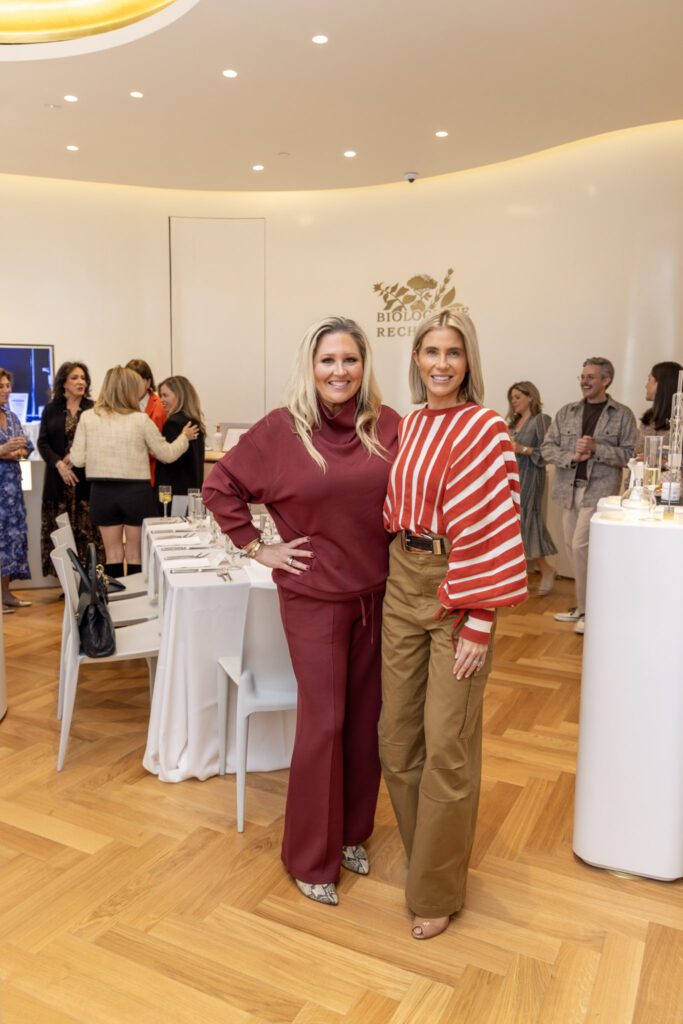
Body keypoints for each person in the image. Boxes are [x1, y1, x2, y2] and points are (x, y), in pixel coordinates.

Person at [203, 316, 400, 906]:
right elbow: (220, 486)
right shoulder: (281, 431)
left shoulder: (389, 426)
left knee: (368, 720)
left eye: (350, 360)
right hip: (314, 599)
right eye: (327, 360)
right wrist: (259, 548)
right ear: (310, 367)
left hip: (380, 596)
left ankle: (350, 835)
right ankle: (309, 855)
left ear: (364, 366)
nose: (339, 371)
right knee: (325, 721)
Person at [380, 308, 528, 941]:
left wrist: (480, 620)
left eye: (453, 353)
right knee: (395, 738)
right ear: (415, 358)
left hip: (460, 588)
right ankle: (429, 857)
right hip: (401, 577)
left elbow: (497, 523)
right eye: (430, 351)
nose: (441, 363)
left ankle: (436, 888)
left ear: (469, 362)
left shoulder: (487, 426)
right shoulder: (409, 424)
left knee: (447, 747)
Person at [70, 366, 198, 578]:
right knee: (135, 554)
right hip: (136, 493)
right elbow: (166, 454)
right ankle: (135, 600)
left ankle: (117, 602)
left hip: (102, 492)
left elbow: (77, 459)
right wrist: (184, 437)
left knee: (112, 554)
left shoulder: (88, 417)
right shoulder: (140, 420)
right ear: (130, 390)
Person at [541, 358, 636, 635]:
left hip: (600, 491)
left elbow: (630, 454)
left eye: (591, 377)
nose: (584, 381)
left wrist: (597, 448)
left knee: (581, 546)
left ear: (606, 380)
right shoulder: (566, 412)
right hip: (568, 491)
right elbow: (547, 449)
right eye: (582, 376)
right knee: (573, 548)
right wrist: (572, 456)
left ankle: (591, 611)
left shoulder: (623, 414)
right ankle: (582, 608)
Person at [37, 361, 105, 576]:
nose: (80, 382)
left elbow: (99, 440)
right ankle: (68, 581)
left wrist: (76, 458)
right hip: (58, 480)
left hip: (85, 479)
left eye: (83, 378)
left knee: (88, 532)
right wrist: (59, 464)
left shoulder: (93, 409)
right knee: (61, 531)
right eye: (75, 377)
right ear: (63, 383)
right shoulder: (51, 409)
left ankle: (89, 580)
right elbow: (43, 443)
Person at [507, 381, 557, 594]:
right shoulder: (513, 423)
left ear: (530, 397)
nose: (513, 401)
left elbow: (547, 452)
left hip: (530, 476)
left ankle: (546, 569)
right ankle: (513, 577)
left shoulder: (541, 420)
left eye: (518, 397)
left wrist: (522, 448)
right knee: (512, 524)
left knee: (529, 521)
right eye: (512, 398)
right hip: (510, 477)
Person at [0, 367, 34, 613]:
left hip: (12, 489)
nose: (6, 390)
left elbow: (26, 446)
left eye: (7, 386)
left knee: (11, 540)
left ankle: (5, 593)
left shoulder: (11, 416)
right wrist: (3, 451)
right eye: (1, 386)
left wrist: (19, 451)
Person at [156, 375, 206, 505]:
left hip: (174, 495)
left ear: (180, 396)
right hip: (192, 493)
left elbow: (170, 463)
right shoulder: (194, 422)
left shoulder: (173, 423)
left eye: (165, 395)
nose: (161, 400)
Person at [125, 359, 166, 486]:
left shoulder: (161, 405)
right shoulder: (121, 406)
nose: (131, 386)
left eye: (136, 381)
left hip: (153, 475)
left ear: (148, 382)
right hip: (126, 476)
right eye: (128, 381)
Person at [638, 361, 683, 456]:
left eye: (649, 380)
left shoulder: (680, 422)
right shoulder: (648, 418)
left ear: (661, 384)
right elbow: (637, 452)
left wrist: (663, 463)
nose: (646, 386)